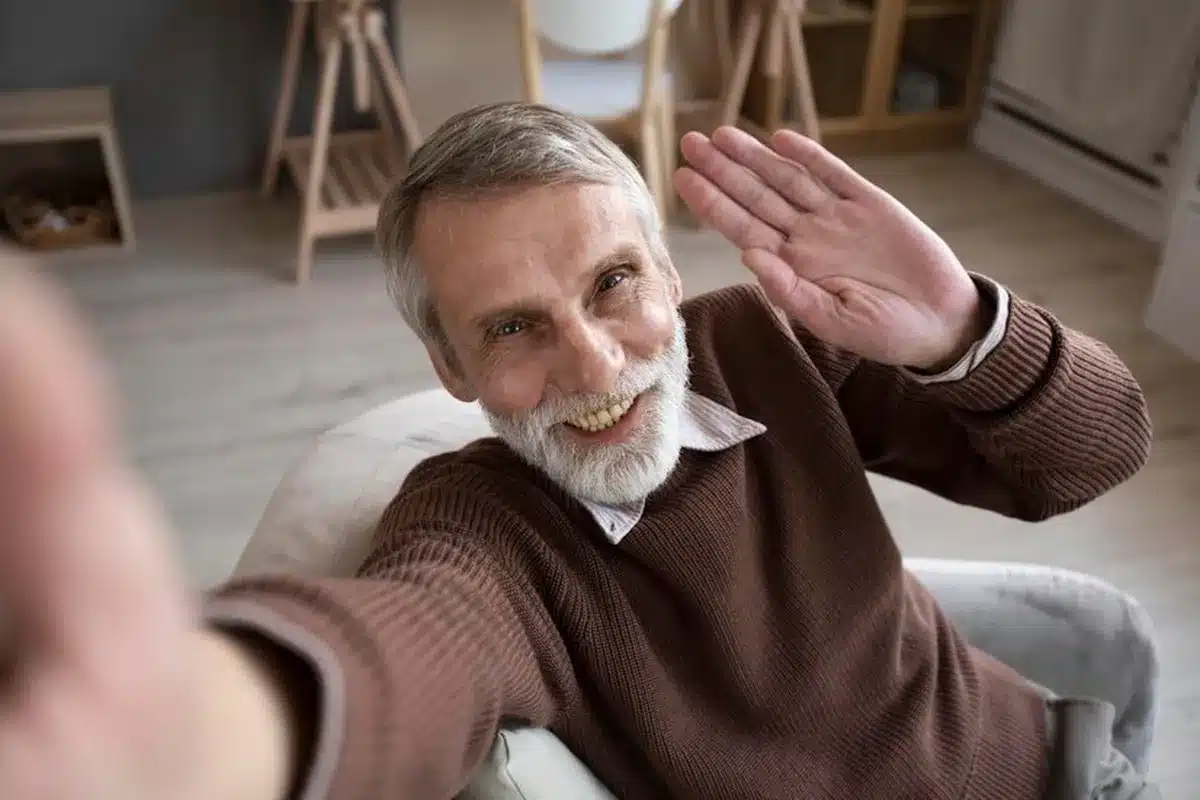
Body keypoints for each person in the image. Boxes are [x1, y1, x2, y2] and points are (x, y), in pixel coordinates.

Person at [0, 101, 1157, 799]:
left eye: (614, 284)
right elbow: (406, 652)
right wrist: (162, 724)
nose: (597, 366)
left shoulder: (771, 341)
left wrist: (964, 329)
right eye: (512, 327)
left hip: (1050, 758)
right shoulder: (479, 529)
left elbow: (1093, 456)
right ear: (452, 369)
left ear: (667, 271)